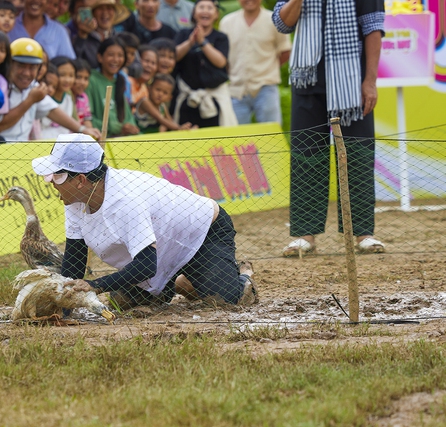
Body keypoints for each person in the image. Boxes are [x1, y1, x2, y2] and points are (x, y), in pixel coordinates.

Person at [31, 134, 257, 310]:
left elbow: (147, 265)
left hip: (202, 233)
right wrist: (61, 304)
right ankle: (178, 281)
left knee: (226, 300)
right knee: (122, 301)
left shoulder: (125, 199)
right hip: (160, 252)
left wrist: (96, 285)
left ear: (81, 180)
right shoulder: (75, 200)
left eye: (56, 176)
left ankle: (243, 275)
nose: (50, 182)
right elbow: (75, 262)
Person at [273, 0, 386, 256]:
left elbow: (373, 28)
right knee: (306, 158)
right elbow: (282, 22)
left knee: (358, 156)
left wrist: (370, 81)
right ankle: (305, 235)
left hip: (351, 84)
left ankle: (363, 234)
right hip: (307, 81)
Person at [0, 38, 100, 141]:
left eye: (32, 68)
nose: (26, 73)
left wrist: (82, 130)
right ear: (9, 64)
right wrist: (29, 101)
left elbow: (52, 110)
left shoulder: (33, 86)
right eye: (21, 66)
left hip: (22, 150)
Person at [220, 0, 291, 125]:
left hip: (266, 87)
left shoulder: (274, 19)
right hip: (236, 90)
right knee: (237, 139)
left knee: (271, 136)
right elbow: (222, 56)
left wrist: (269, 67)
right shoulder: (227, 22)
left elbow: (285, 51)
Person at [173, 0, 237, 128]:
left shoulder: (221, 37)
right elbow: (174, 57)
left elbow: (221, 62)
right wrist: (190, 42)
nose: (205, 11)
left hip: (214, 98)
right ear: (194, 13)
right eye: (201, 7)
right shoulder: (184, 34)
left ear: (216, 14)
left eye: (210, 8)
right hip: (188, 98)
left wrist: (202, 42)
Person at [87, 38, 139, 137]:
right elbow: (86, 117)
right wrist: (118, 128)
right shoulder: (91, 80)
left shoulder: (120, 81)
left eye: (120, 55)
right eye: (111, 55)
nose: (116, 60)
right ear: (100, 57)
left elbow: (128, 117)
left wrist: (130, 127)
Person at [7, 0, 76, 60]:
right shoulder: (8, 26)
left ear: (47, 2)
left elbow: (68, 64)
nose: (36, 1)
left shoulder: (59, 31)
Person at [41, 56, 80, 139]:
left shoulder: (69, 96)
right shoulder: (43, 96)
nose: (67, 80)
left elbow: (76, 121)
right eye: (62, 75)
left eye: (71, 75)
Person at [71, 58, 93, 127]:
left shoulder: (84, 97)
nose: (82, 83)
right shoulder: (65, 97)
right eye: (78, 77)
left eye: (86, 78)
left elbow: (87, 120)